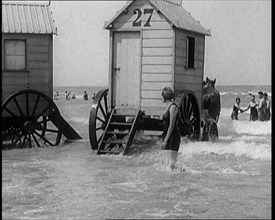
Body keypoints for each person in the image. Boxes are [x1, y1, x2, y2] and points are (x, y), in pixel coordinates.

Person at [161, 87, 181, 170]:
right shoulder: (167, 106)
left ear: (165, 97)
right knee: (167, 163)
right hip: (167, 135)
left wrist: (165, 140)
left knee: (172, 163)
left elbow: (171, 125)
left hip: (173, 136)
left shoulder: (173, 107)